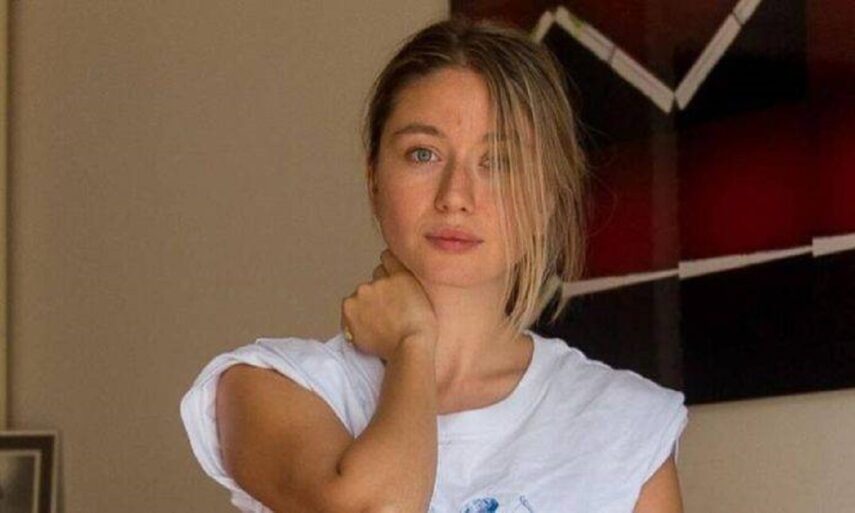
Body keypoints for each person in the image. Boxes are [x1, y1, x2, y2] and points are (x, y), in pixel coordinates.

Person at [180, 15, 687, 513]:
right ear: (374, 179)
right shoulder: (270, 386)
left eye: (498, 162)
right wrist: (413, 343)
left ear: (548, 197)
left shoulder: (626, 429)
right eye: (423, 154)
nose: (455, 196)